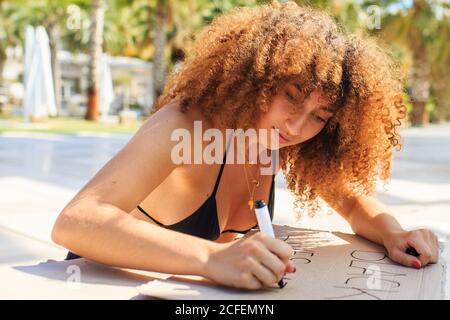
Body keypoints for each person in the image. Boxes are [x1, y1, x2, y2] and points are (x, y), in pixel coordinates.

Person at [51, 1, 439, 290]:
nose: (298, 125)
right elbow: (76, 221)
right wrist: (212, 258)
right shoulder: (187, 125)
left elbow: (352, 202)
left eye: (321, 117)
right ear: (260, 78)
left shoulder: (278, 137)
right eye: (292, 95)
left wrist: (393, 233)